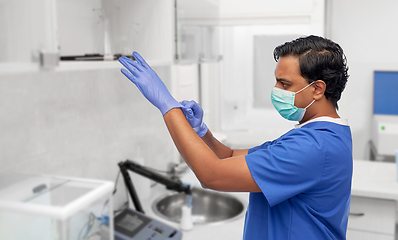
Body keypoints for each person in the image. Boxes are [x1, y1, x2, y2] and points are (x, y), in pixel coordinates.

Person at [118, 35, 352, 240]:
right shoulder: (318, 134)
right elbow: (229, 156)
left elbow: (212, 175)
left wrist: (167, 106)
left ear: (318, 89)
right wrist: (202, 133)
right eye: (277, 81)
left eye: (285, 83)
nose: (276, 90)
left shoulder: (313, 147)